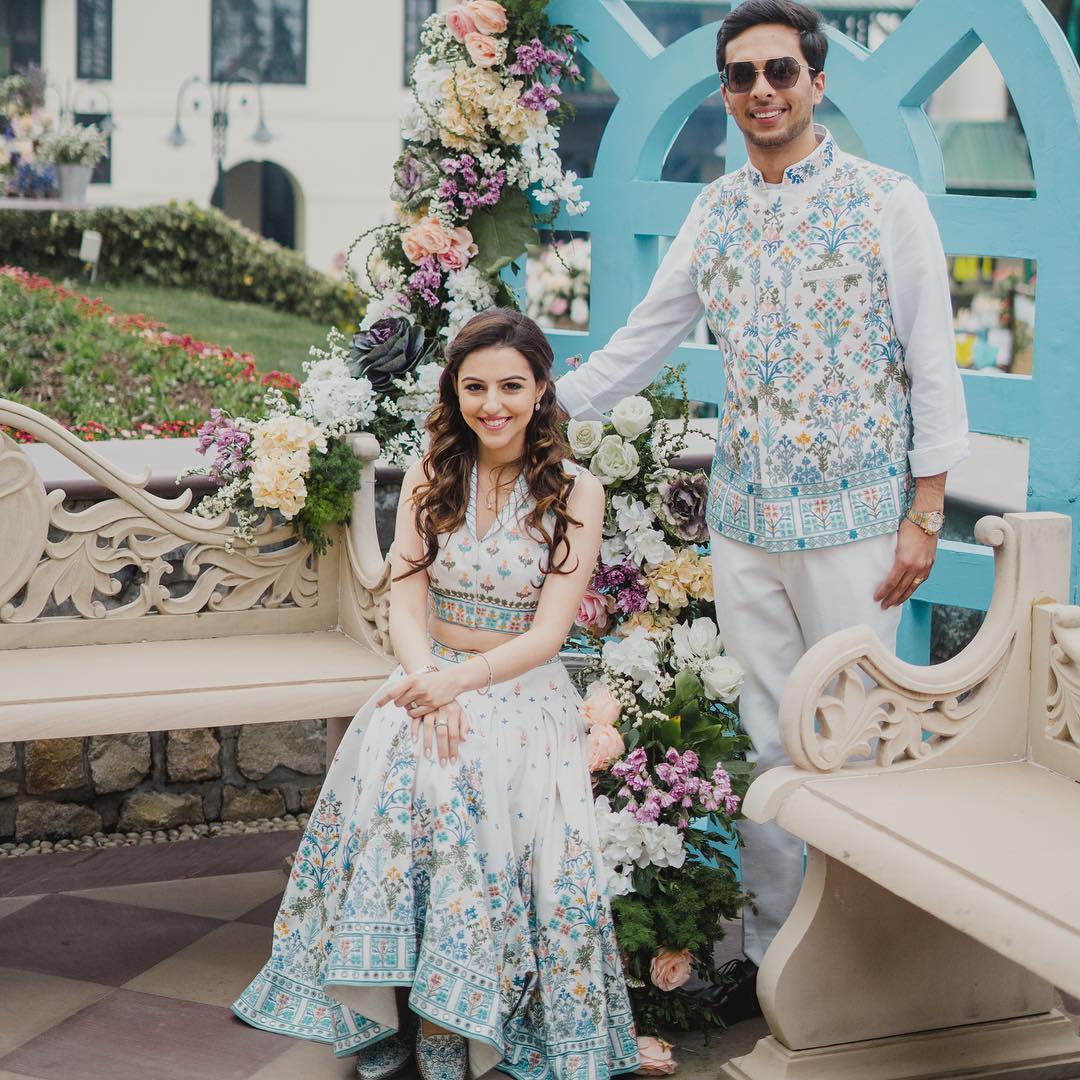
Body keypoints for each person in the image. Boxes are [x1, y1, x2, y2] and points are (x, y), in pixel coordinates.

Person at [554, 0, 969, 1022]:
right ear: (727, 93)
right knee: (764, 741)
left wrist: (925, 513)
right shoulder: (717, 212)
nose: (762, 91)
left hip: (862, 524)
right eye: (741, 76)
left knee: (855, 741)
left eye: (780, 71)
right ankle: (778, 961)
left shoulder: (886, 201)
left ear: (817, 83)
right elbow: (640, 341)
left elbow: (932, 363)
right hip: (745, 526)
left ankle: (869, 961)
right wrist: (530, 407)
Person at [232, 308, 639, 1080]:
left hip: (519, 686)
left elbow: (550, 634)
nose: (494, 404)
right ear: (453, 391)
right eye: (476, 386)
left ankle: (465, 1017)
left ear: (542, 387)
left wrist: (461, 681)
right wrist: (429, 682)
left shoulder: (578, 492)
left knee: (459, 779)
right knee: (405, 756)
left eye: (512, 387)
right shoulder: (430, 472)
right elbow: (406, 601)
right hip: (427, 673)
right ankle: (392, 1006)